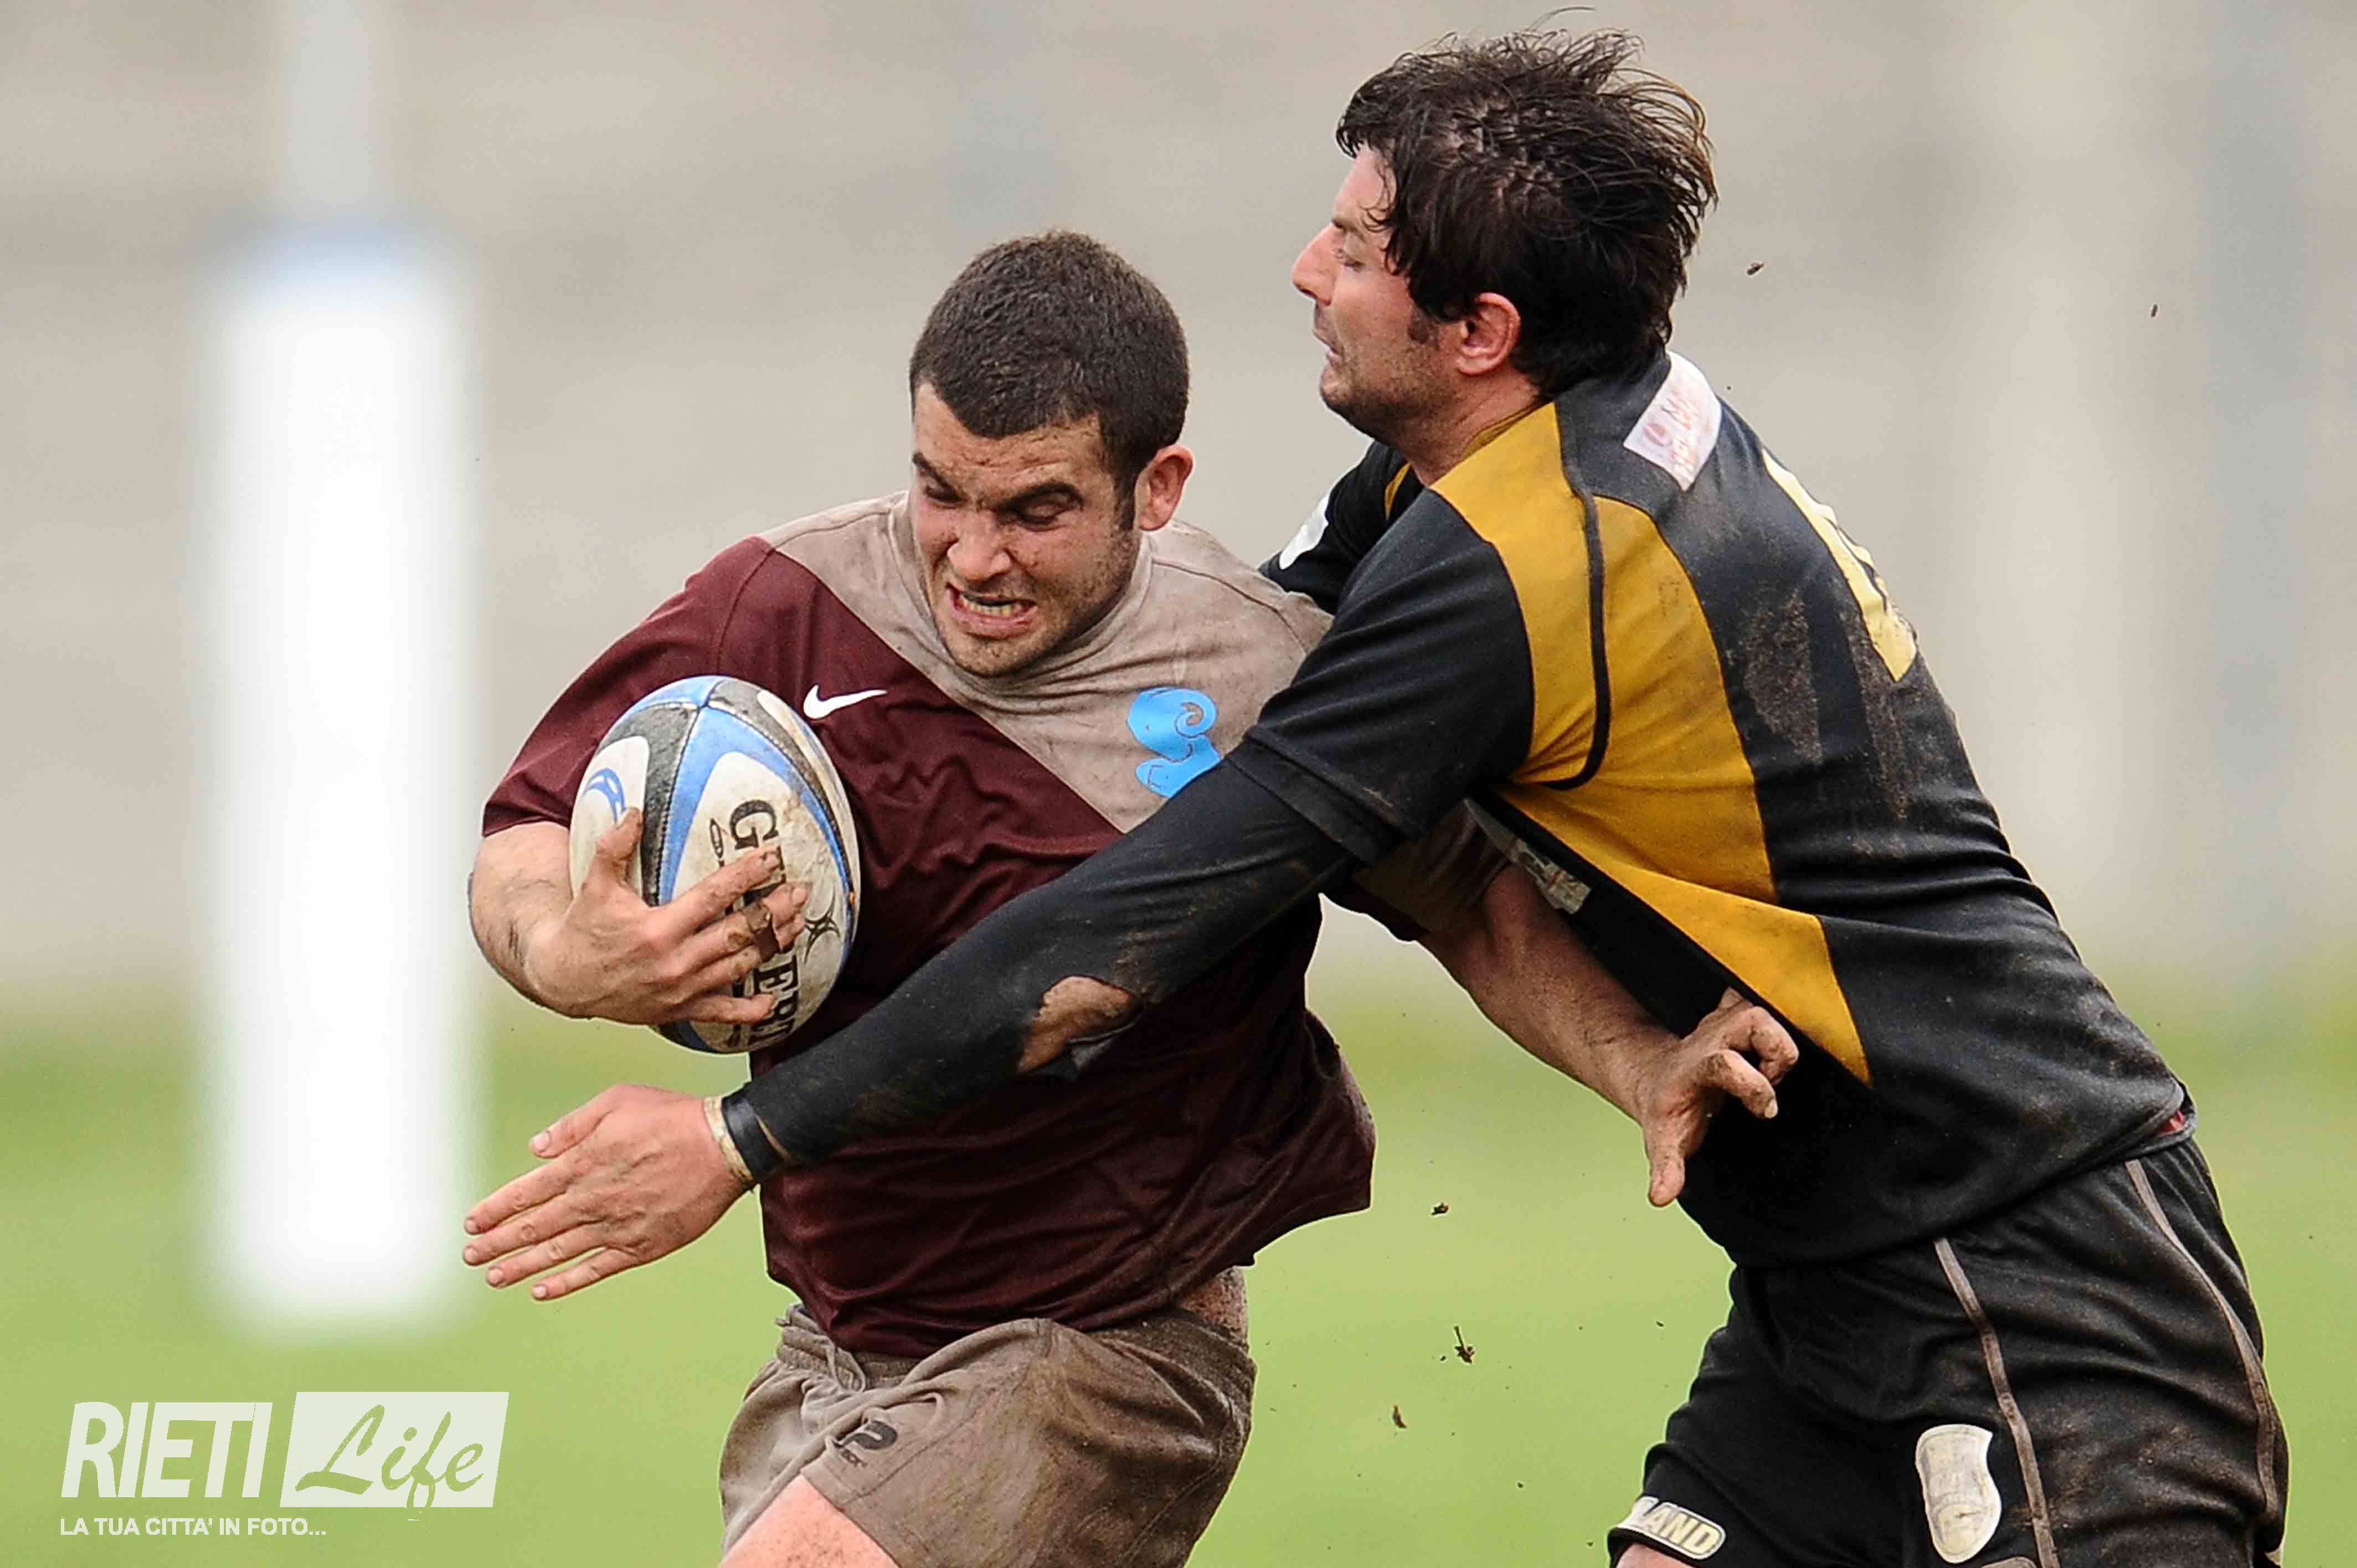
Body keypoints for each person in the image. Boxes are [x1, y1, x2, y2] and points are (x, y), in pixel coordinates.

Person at [643, 32, 2284, 1568]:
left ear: (1481, 331)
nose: (1309, 270)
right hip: (1839, 1292)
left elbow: (1162, 902)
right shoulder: (1528, 453)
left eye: (1356, 250)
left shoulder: (1518, 570)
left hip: (2041, 1296)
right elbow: (1230, 666)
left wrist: (745, 1132)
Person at [461, 231, 1795, 1568]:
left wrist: (1637, 1062)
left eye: (1033, 510)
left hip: (1103, 1350)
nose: (971, 559)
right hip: (834, 1345)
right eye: (939, 493)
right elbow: (527, 826)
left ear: (1154, 489)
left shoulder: (1263, 673)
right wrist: (563, 955)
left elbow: (1467, 902)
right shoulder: (787, 602)